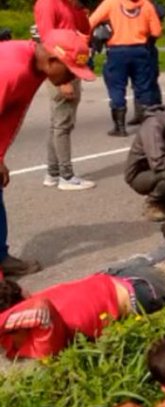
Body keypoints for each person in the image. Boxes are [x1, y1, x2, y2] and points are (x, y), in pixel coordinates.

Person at [0, 224, 165, 360]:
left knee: (155, 254)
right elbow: (42, 309)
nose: (29, 293)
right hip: (138, 291)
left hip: (110, 274)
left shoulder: (24, 318)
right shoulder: (39, 345)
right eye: (23, 295)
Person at [0, 29, 95, 277]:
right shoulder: (12, 69)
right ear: (53, 60)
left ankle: (0, 257)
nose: (71, 78)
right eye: (70, 71)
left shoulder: (34, 66)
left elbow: (7, 115)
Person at [34, 0, 96, 191]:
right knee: (63, 124)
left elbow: (85, 30)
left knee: (58, 124)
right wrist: (64, 81)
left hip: (72, 66)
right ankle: (66, 176)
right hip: (61, 69)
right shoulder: (48, 4)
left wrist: (80, 10)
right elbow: (47, 41)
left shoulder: (70, 5)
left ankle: (53, 173)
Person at [89, 0, 162, 137]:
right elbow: (156, 31)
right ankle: (148, 125)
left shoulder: (111, 3)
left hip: (117, 51)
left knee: (117, 87)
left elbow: (90, 23)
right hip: (141, 50)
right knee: (143, 87)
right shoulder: (146, 5)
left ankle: (120, 127)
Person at [128, 0, 165, 126]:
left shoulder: (149, 6)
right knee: (137, 82)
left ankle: (156, 113)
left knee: (150, 81)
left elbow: (160, 13)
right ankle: (140, 113)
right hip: (135, 46)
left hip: (147, 46)